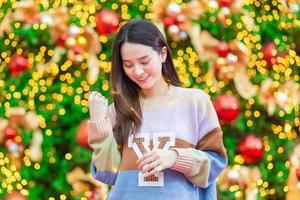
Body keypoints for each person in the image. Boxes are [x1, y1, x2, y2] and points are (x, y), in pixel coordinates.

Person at [87, 19, 227, 200]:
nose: (137, 71)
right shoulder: (118, 110)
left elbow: (214, 165)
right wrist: (99, 123)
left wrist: (175, 158)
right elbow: (108, 175)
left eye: (144, 61)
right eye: (128, 65)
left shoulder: (194, 101)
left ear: (162, 54)